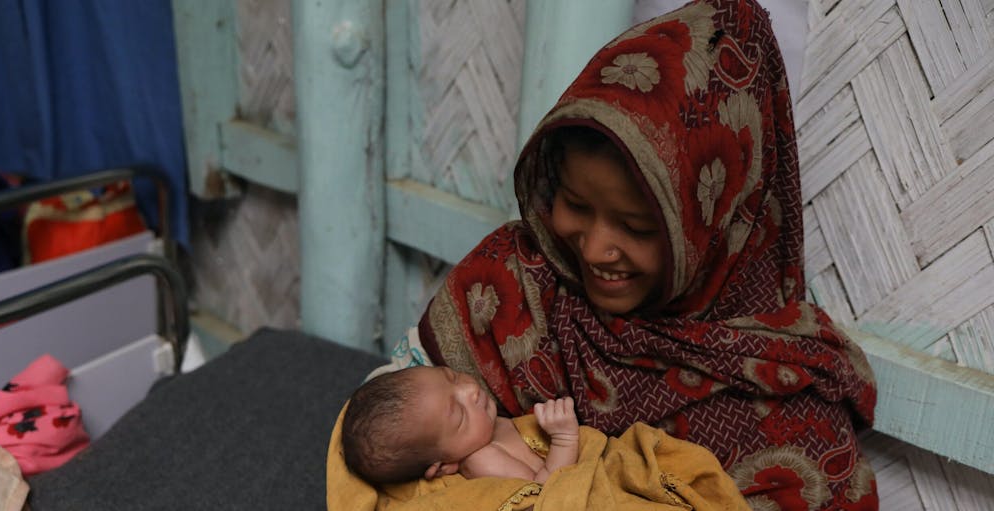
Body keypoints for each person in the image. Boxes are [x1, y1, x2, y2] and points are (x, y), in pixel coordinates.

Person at [412, 0, 879, 509]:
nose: (593, 249)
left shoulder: (790, 415)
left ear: (712, 227)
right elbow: (391, 428)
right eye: (573, 204)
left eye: (636, 227)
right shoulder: (507, 282)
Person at [341, 365, 579, 485]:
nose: (471, 390)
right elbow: (545, 499)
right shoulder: (483, 460)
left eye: (451, 377)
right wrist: (564, 440)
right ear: (444, 466)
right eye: (460, 414)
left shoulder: (479, 431)